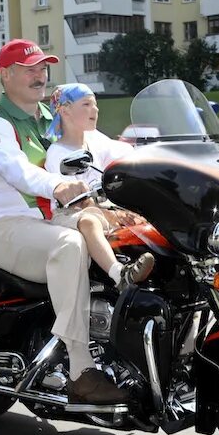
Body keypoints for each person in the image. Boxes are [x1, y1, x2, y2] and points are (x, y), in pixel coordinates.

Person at [0, 38, 127, 406]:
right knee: (70, 244)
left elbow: (108, 147)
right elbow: (19, 171)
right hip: (8, 227)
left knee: (127, 233)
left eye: (43, 68)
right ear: (6, 75)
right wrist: (59, 184)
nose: (39, 75)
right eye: (30, 69)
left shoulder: (52, 119)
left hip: (52, 220)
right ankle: (80, 369)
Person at [44, 83, 155, 291]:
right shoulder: (58, 153)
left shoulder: (94, 142)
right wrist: (112, 214)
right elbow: (77, 201)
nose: (95, 110)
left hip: (102, 209)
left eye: (95, 104)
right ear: (65, 110)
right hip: (70, 214)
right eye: (86, 104)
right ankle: (119, 274)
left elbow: (125, 153)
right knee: (90, 221)